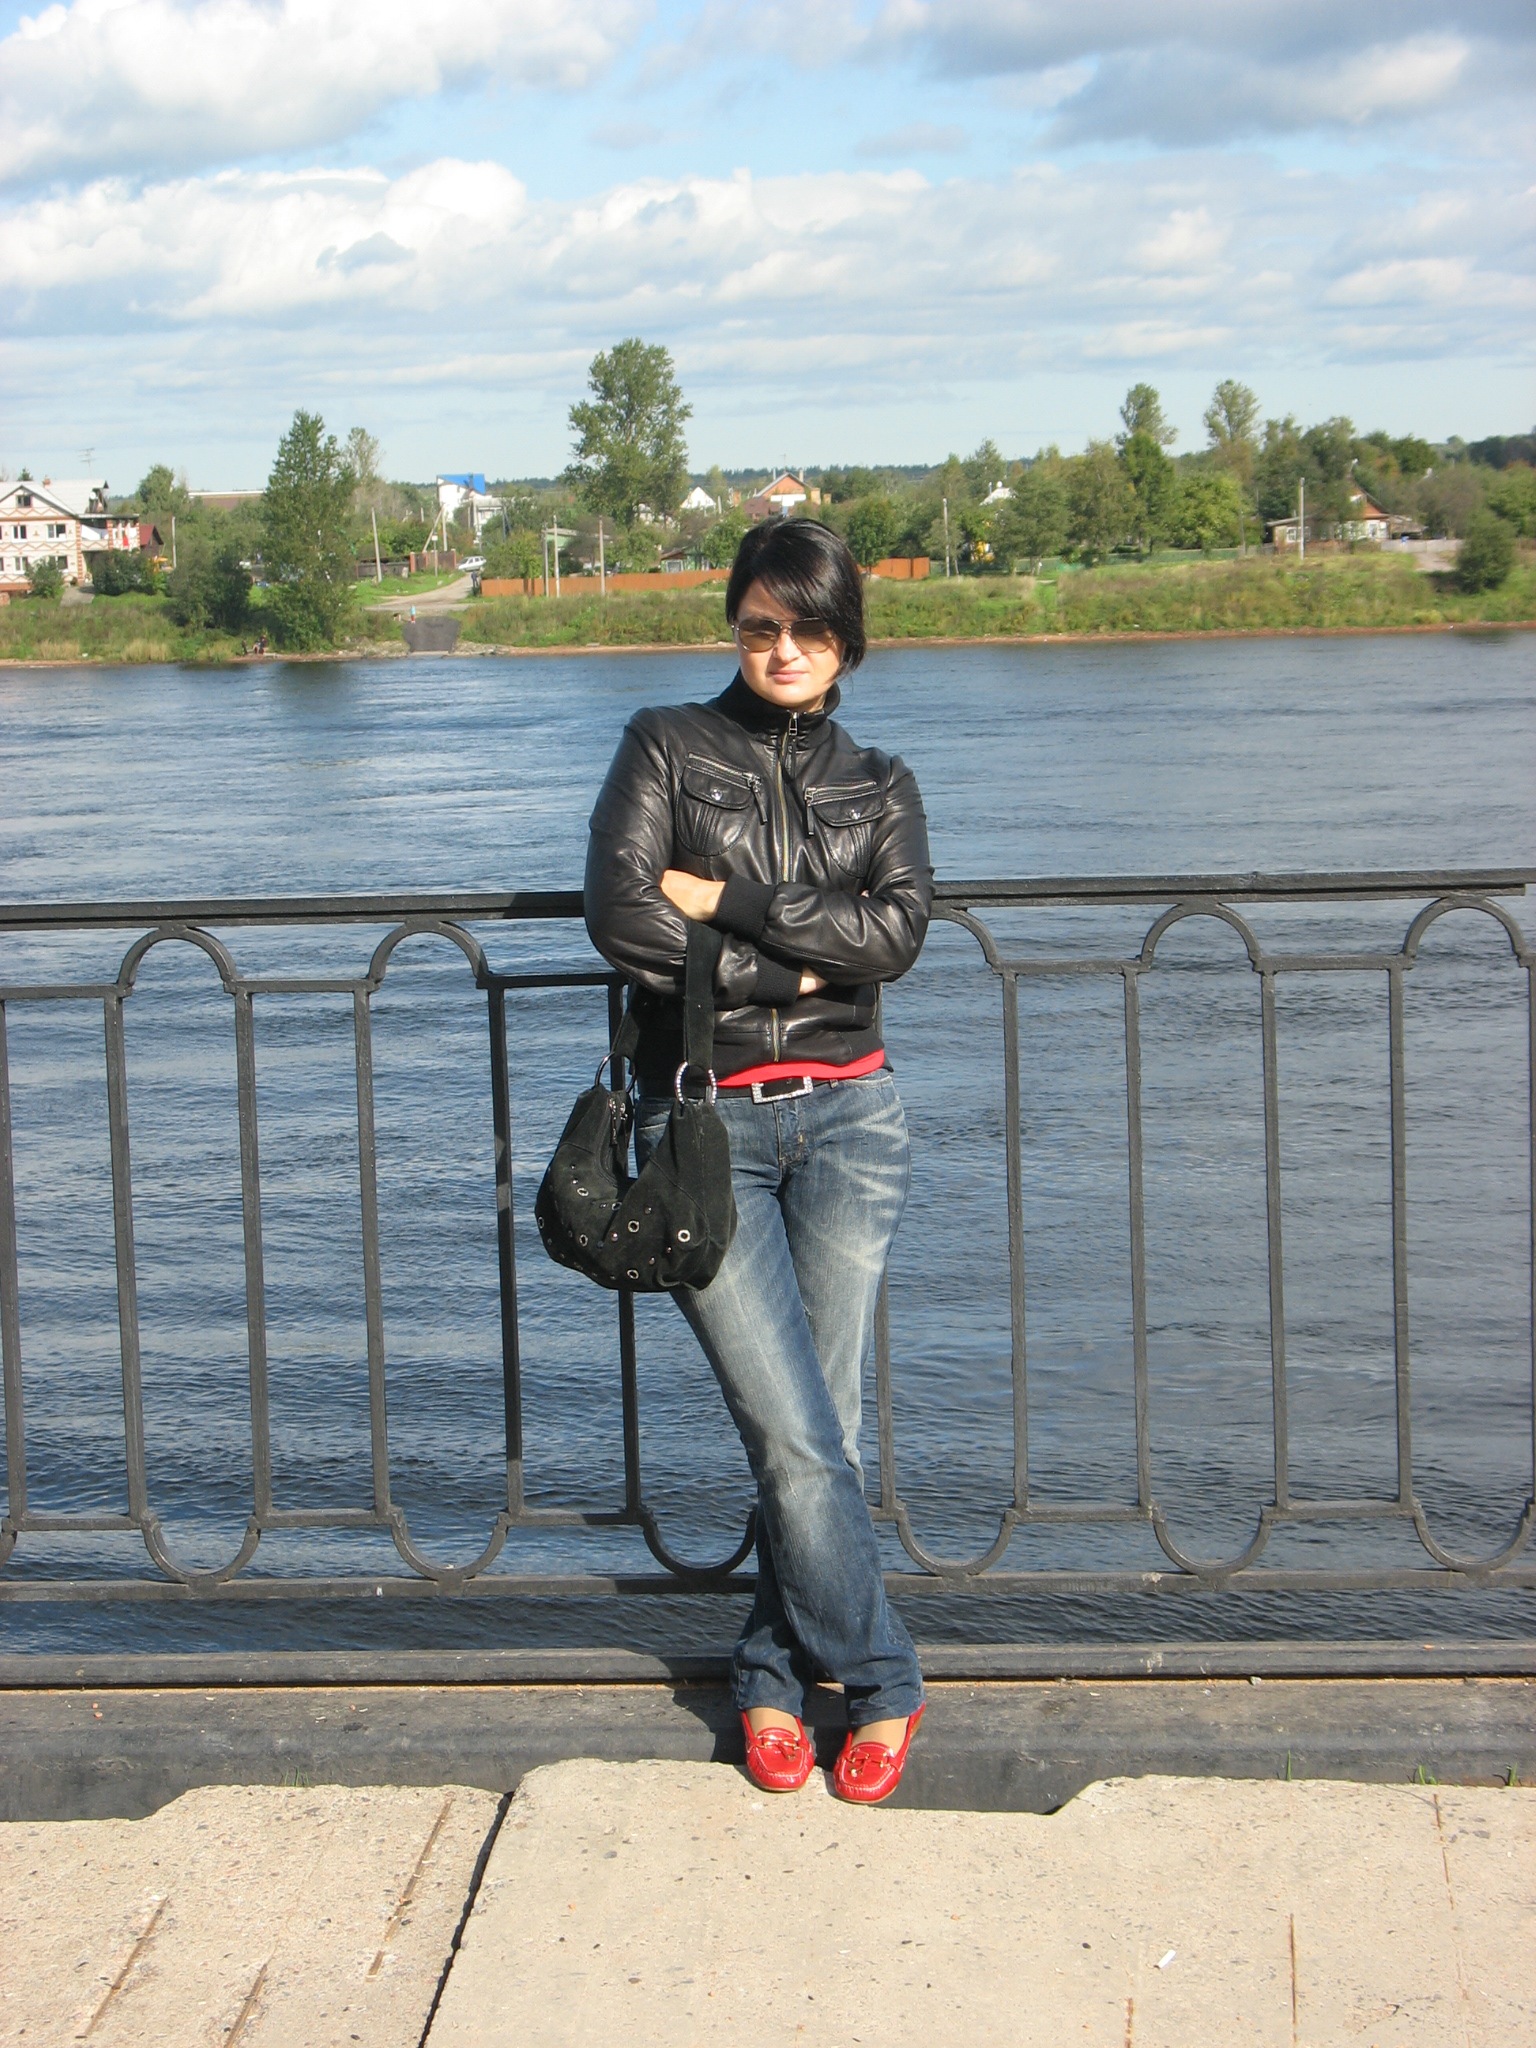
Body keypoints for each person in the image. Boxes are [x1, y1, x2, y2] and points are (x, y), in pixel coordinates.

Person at [584, 519, 933, 1803]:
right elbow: (620, 909)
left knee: (823, 1426)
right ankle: (885, 1676)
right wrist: (790, 974)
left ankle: (774, 1672)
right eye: (761, 626)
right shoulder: (666, 744)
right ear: (734, 626)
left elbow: (895, 933)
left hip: (852, 1120)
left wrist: (728, 902)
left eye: (811, 629)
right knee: (791, 1429)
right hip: (708, 1125)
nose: (785, 650)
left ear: (847, 640)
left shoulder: (880, 780)